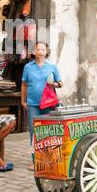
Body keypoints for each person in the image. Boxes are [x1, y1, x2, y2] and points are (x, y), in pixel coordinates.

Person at [21, 42, 62, 170]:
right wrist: (23, 100)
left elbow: (60, 83)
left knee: (48, 131)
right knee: (34, 132)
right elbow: (24, 85)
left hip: (48, 104)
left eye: (42, 49)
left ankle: (49, 158)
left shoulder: (52, 67)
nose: (40, 51)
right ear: (35, 51)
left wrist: (53, 84)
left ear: (46, 51)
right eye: (38, 49)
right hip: (33, 104)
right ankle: (35, 161)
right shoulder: (28, 67)